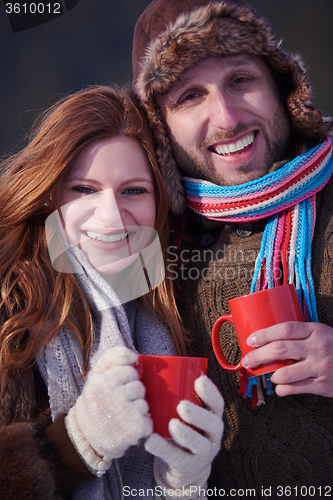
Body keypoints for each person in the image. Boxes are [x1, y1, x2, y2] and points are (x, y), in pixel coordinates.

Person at [132, 0, 333, 494]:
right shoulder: (152, 240)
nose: (225, 118)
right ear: (159, 127)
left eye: (241, 80)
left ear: (282, 87)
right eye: (189, 97)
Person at [0, 85, 224, 499]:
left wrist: (185, 481)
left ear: (160, 203)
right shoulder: (8, 304)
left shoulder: (179, 301)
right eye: (84, 189)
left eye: (133, 191)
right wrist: (77, 442)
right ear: (50, 194)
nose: (111, 216)